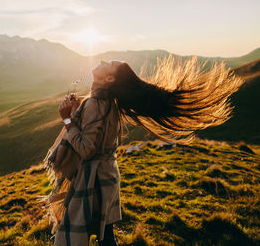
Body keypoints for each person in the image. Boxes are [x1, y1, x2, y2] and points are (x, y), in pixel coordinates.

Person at [43, 56, 243, 246]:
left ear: (109, 78)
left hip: (94, 181)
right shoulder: (108, 103)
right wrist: (78, 110)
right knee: (105, 235)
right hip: (107, 177)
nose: (102, 61)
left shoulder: (96, 104)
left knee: (83, 233)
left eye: (108, 64)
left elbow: (86, 150)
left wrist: (68, 120)